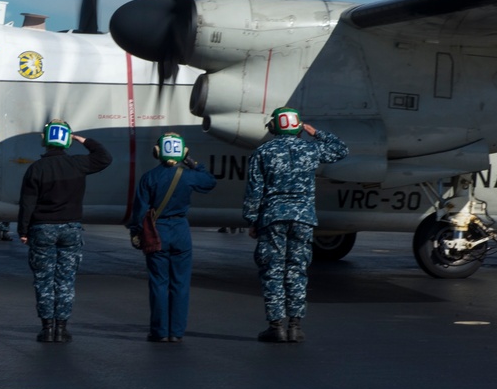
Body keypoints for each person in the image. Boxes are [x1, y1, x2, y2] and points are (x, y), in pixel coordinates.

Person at [243, 107, 349, 343]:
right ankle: (295, 326)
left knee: (273, 270)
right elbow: (341, 149)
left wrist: (252, 220)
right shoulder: (310, 149)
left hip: (272, 218)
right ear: (297, 126)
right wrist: (315, 132)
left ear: (273, 127)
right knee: (297, 270)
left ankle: (275, 326)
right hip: (303, 219)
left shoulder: (263, 152)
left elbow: (254, 191)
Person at [17, 119, 112, 343]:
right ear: (66, 140)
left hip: (42, 228)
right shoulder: (78, 164)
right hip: (71, 227)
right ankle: (61, 328)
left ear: (46, 141)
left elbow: (27, 203)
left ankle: (47, 328)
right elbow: (104, 157)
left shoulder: (36, 168)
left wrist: (23, 230)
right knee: (65, 280)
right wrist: (85, 140)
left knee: (43, 279)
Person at [128, 133, 217, 342]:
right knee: (180, 283)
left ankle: (159, 331)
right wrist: (193, 164)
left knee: (159, 282)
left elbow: (139, 210)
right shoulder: (188, 175)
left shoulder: (149, 177)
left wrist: (135, 232)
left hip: (157, 230)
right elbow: (210, 182)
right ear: (182, 152)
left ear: (157, 152)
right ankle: (176, 332)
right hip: (180, 230)